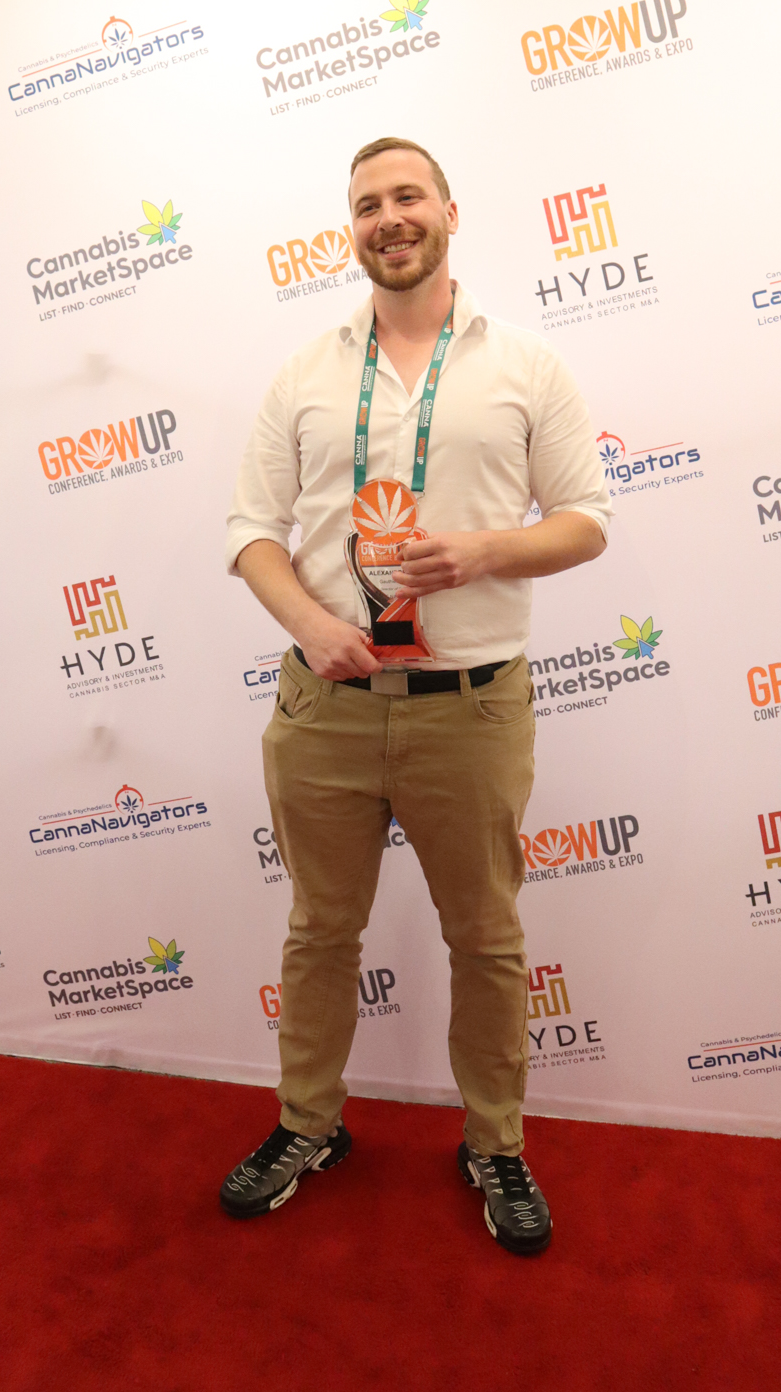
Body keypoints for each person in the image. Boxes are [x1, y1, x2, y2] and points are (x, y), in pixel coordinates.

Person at [222, 137, 611, 1254]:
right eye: (366, 205)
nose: (388, 218)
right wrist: (312, 626)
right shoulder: (306, 372)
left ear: (447, 210)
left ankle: (495, 1142)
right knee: (319, 931)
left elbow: (587, 520)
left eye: (406, 197)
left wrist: (482, 551)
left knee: (485, 937)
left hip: (469, 709)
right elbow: (251, 531)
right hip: (326, 706)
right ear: (350, 231)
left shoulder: (525, 363)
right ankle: (308, 1125)